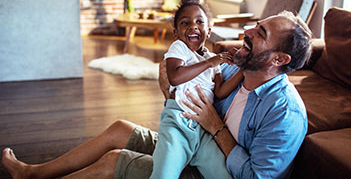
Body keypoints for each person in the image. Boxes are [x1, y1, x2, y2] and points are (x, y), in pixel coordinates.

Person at [2, 10, 312, 179]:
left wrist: (214, 126)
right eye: (254, 26)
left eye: (260, 35)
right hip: (195, 140)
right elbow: (190, 91)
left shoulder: (284, 112)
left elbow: (253, 177)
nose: (247, 33)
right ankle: (33, 173)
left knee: (114, 162)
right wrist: (169, 90)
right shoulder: (235, 71)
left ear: (279, 59)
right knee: (120, 128)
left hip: (216, 170)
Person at [151, 0, 243, 179]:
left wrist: (243, 69)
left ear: (209, 31)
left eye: (200, 22)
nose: (193, 26)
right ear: (176, 32)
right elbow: (175, 77)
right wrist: (211, 63)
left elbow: (220, 91)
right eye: (185, 23)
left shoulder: (211, 59)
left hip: (203, 131)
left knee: (224, 175)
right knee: (163, 175)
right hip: (177, 122)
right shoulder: (179, 48)